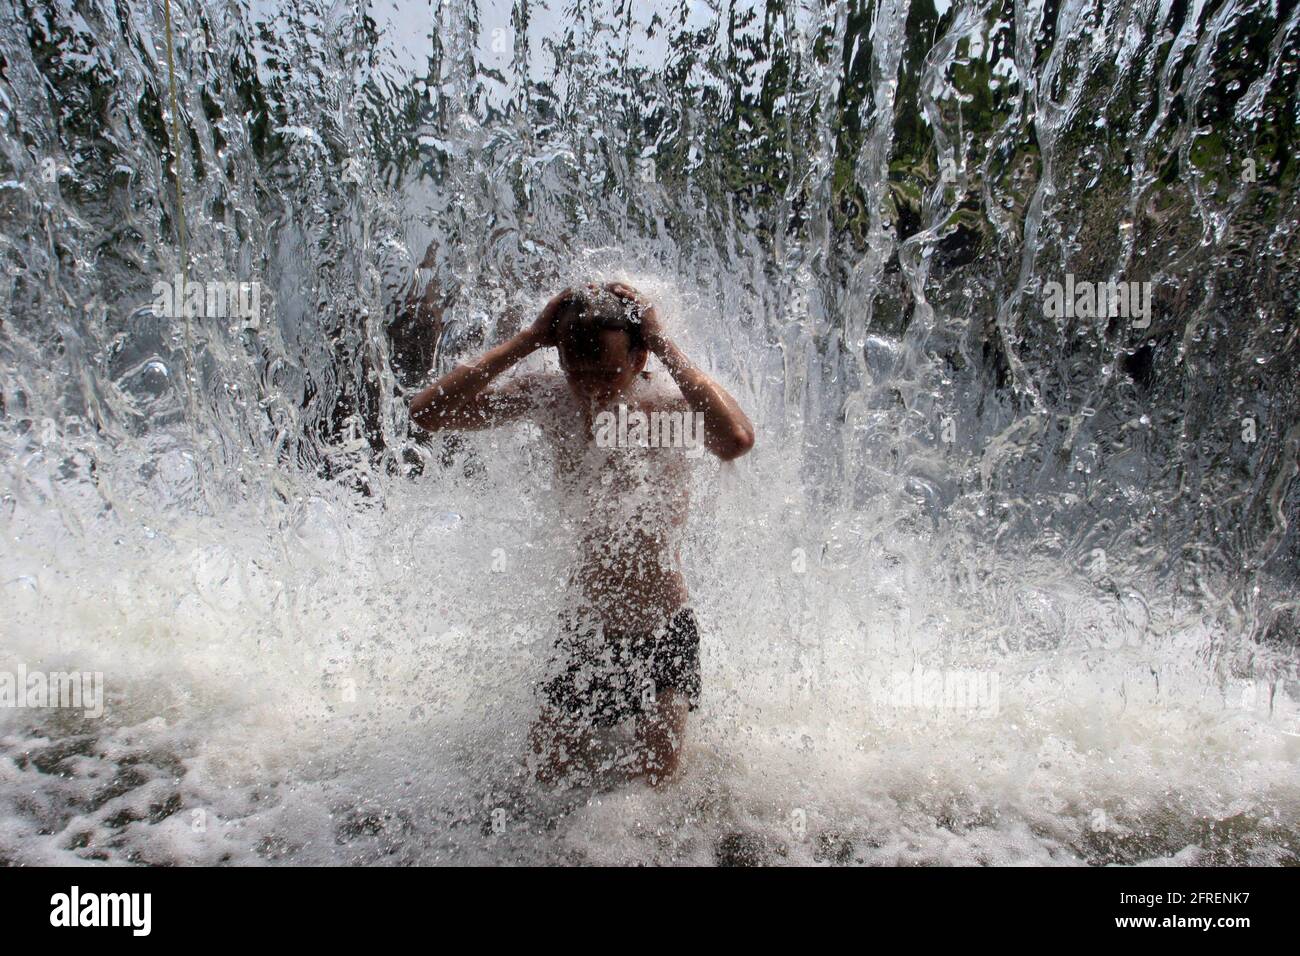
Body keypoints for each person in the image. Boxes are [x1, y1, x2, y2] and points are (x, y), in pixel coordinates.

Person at [409, 281, 754, 785]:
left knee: (656, 793)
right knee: (542, 780)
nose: (591, 388)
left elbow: (736, 440)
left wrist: (663, 344)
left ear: (639, 359)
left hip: (662, 626)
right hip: (585, 628)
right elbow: (429, 414)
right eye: (577, 372)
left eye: (608, 373)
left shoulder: (666, 409)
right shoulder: (550, 399)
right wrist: (528, 339)